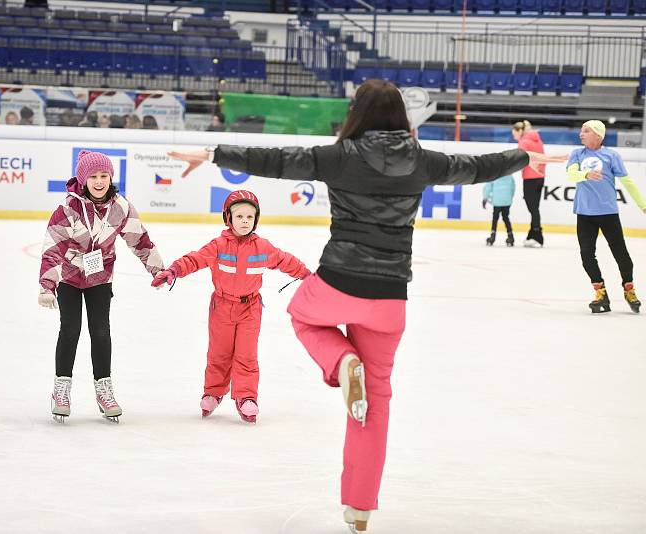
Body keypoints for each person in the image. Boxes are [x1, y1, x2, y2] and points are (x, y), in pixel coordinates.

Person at [168, 79, 564, 533]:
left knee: (300, 314)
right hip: (390, 297)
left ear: (357, 113)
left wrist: (216, 153)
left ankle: (341, 362)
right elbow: (470, 167)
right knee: (376, 403)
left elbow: (277, 161)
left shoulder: (340, 156)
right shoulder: (420, 160)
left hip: (338, 282)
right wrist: (520, 157)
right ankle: (359, 509)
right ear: (401, 115)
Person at [151, 190, 310, 424]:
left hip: (250, 308)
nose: (245, 221)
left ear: (256, 219)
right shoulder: (218, 246)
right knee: (219, 353)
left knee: (246, 354)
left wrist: (309, 276)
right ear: (228, 218)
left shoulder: (263, 247)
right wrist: (173, 270)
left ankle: (246, 397)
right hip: (222, 307)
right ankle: (213, 392)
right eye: (239, 217)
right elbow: (194, 259)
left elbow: (286, 261)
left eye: (249, 217)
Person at [39, 150, 165, 422]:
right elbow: (53, 248)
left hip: (100, 276)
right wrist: (48, 285)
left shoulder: (121, 207)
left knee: (101, 331)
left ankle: (104, 390)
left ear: (110, 178)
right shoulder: (68, 209)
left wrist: (158, 270)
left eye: (104, 176)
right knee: (70, 329)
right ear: (84, 180)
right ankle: (61, 389)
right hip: (70, 277)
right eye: (93, 176)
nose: (99, 181)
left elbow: (139, 240)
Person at [566, 119, 645, 314]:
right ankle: (600, 292)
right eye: (581, 130)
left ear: (598, 135)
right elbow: (570, 174)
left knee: (621, 254)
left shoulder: (611, 155)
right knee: (586, 255)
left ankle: (629, 289)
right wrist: (585, 175)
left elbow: (627, 181)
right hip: (584, 214)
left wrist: (643, 204)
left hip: (608, 213)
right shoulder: (577, 154)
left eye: (586, 131)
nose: (581, 134)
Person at [511, 120, 545, 247]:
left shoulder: (524, 142)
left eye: (514, 133)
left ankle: (538, 236)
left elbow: (519, 160)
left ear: (520, 131)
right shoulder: (539, 141)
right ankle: (532, 234)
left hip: (530, 178)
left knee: (533, 208)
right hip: (540, 177)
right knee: (534, 208)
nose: (514, 136)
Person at [482, 174, 516, 246]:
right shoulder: (509, 175)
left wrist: (485, 198)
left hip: (497, 201)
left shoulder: (495, 174)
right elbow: (513, 187)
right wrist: (510, 197)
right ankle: (510, 236)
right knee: (506, 218)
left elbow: (488, 187)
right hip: (507, 201)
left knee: (495, 218)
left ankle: (492, 236)